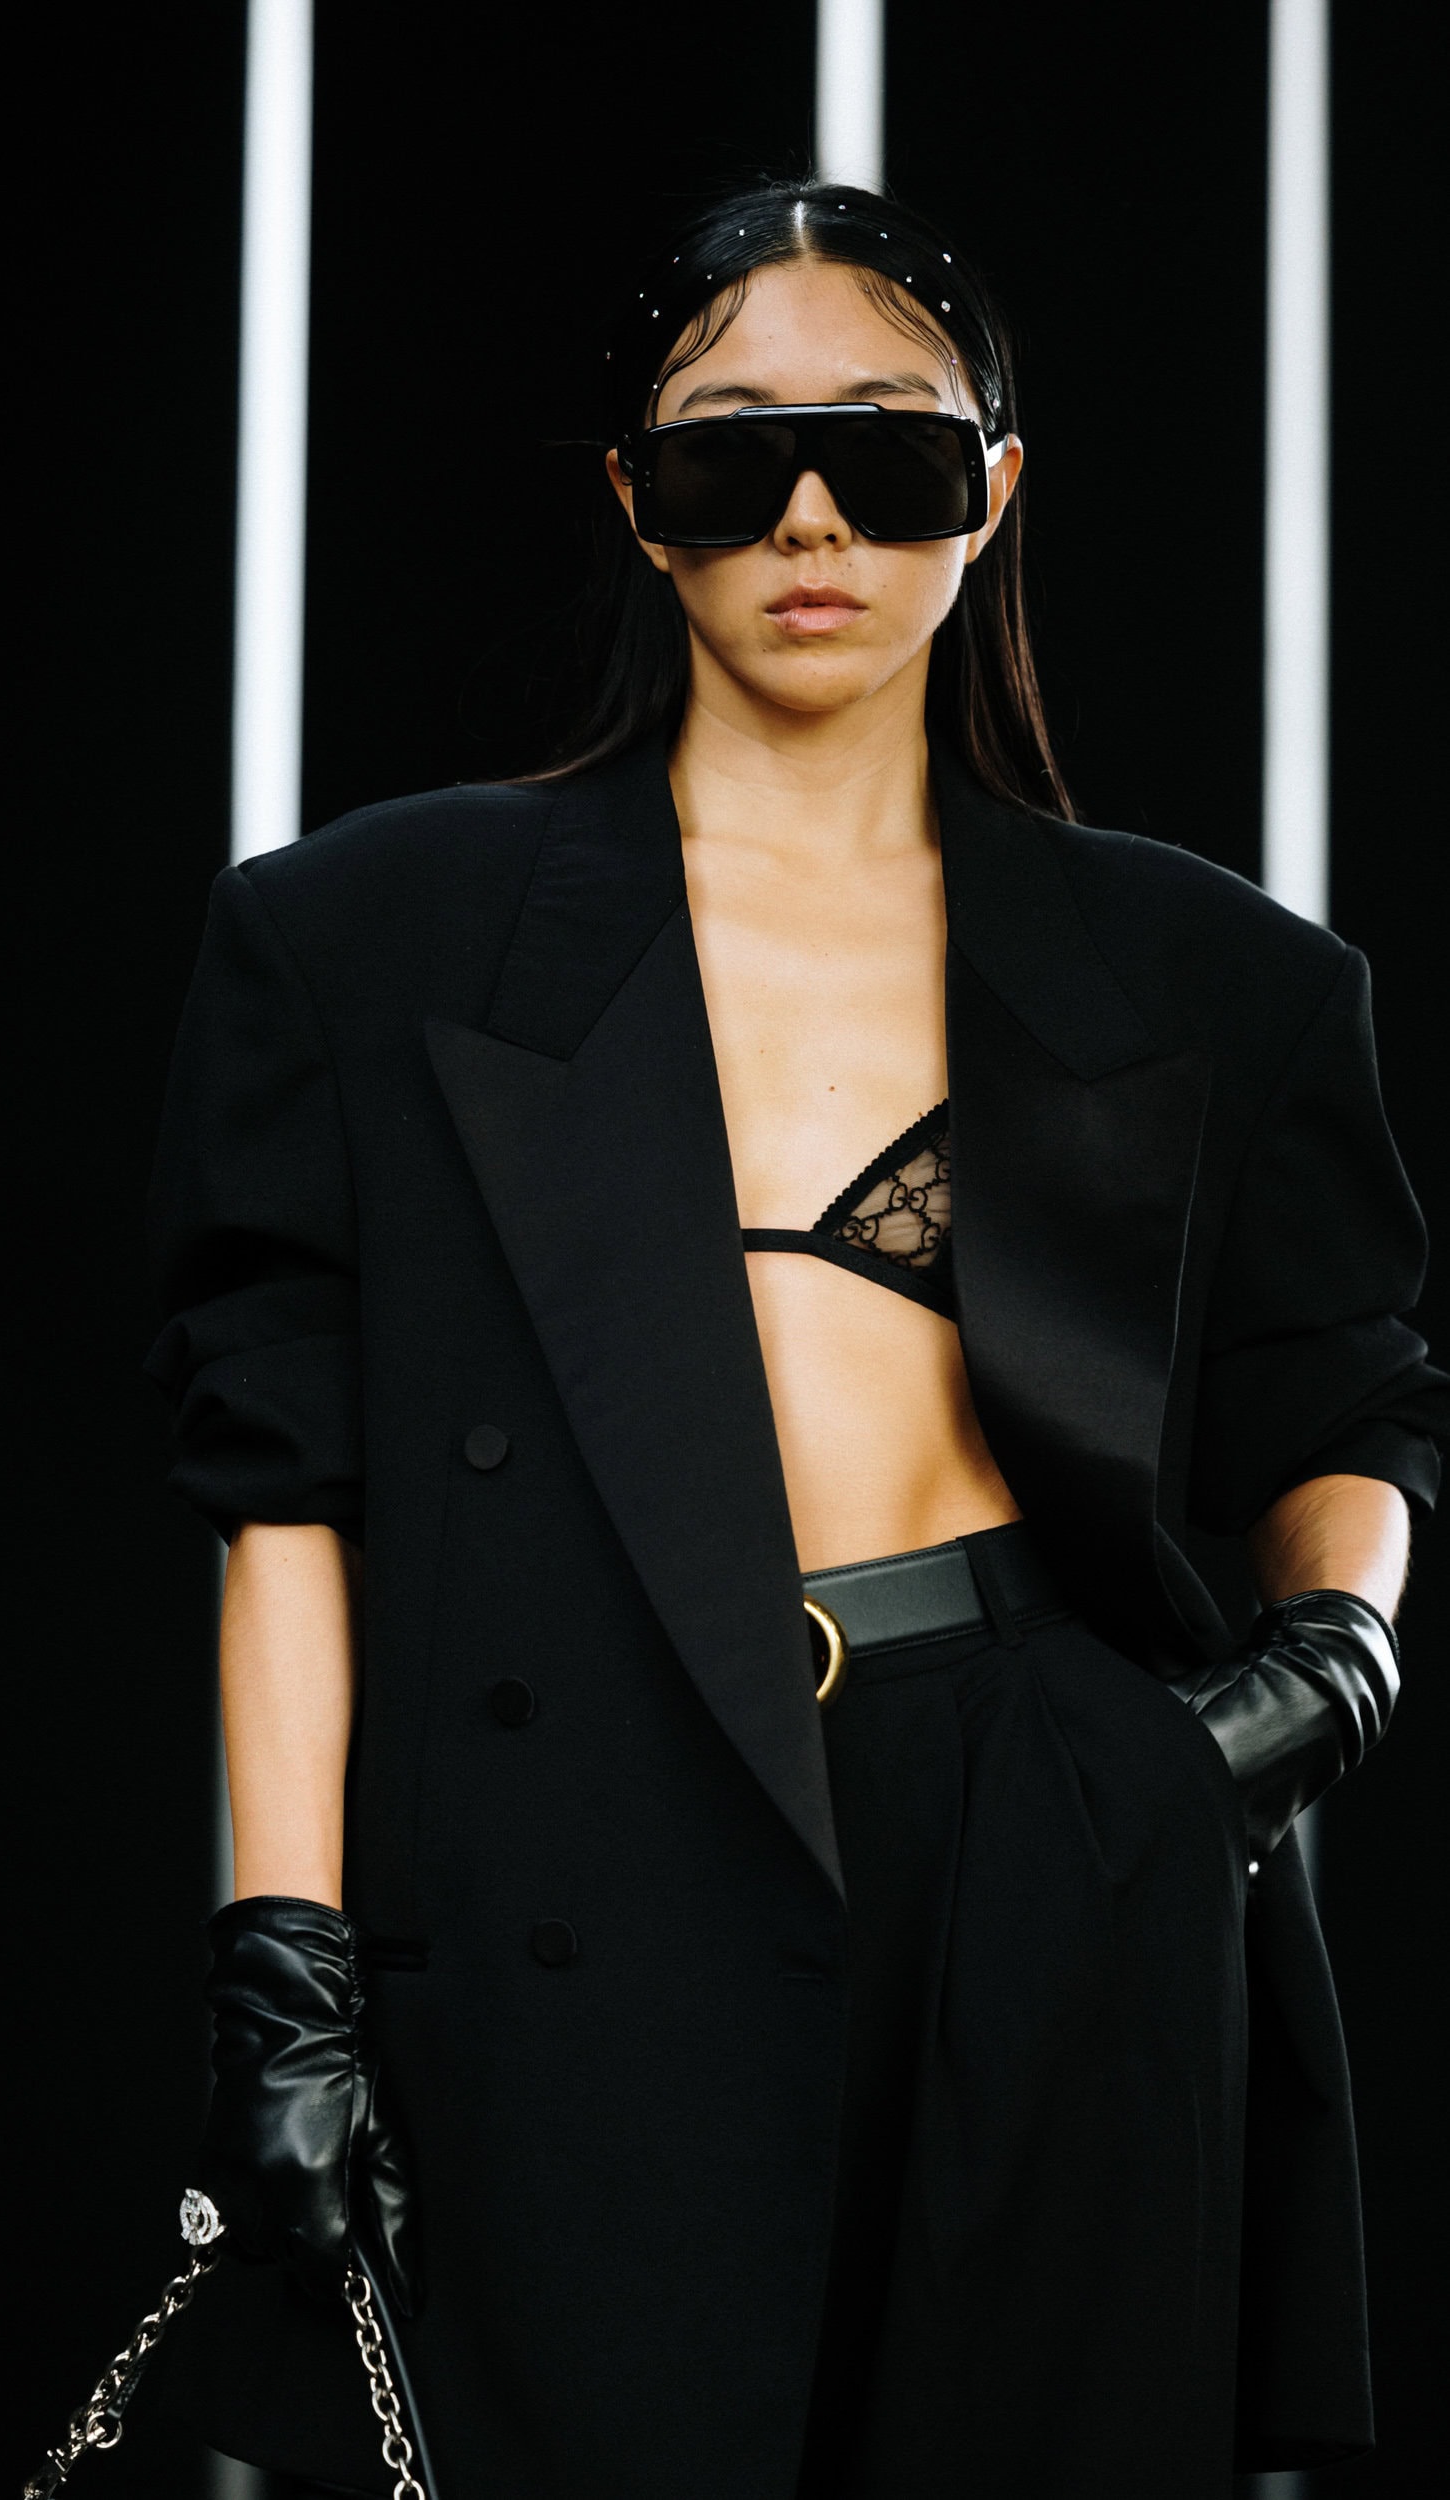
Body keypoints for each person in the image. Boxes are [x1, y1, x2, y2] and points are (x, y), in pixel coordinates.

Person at [145, 181, 1446, 2500]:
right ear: (634, 497)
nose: (815, 518)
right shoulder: (367, 939)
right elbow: (287, 1491)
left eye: (895, 450)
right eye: (735, 452)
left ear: (997, 491)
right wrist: (289, 1966)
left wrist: (1320, 1671)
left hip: (1044, 1830)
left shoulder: (1217, 977)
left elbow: (1340, 1392)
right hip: (573, 1836)